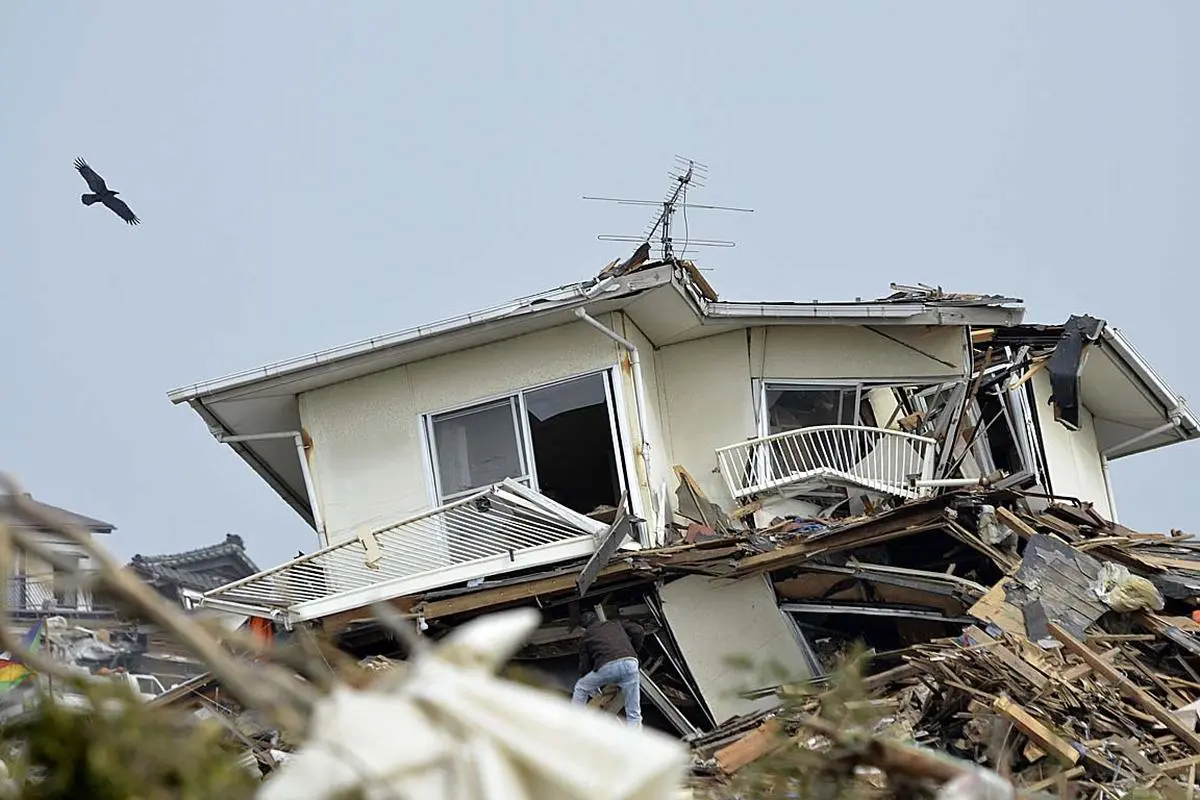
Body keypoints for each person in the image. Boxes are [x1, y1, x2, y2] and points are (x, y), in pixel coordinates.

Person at [571, 609, 645, 729]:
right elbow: (638, 630)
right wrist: (634, 651)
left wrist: (591, 682)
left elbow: (584, 667)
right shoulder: (615, 624)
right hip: (631, 664)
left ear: (584, 628)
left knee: (581, 687)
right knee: (633, 712)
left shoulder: (586, 636)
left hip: (608, 666)